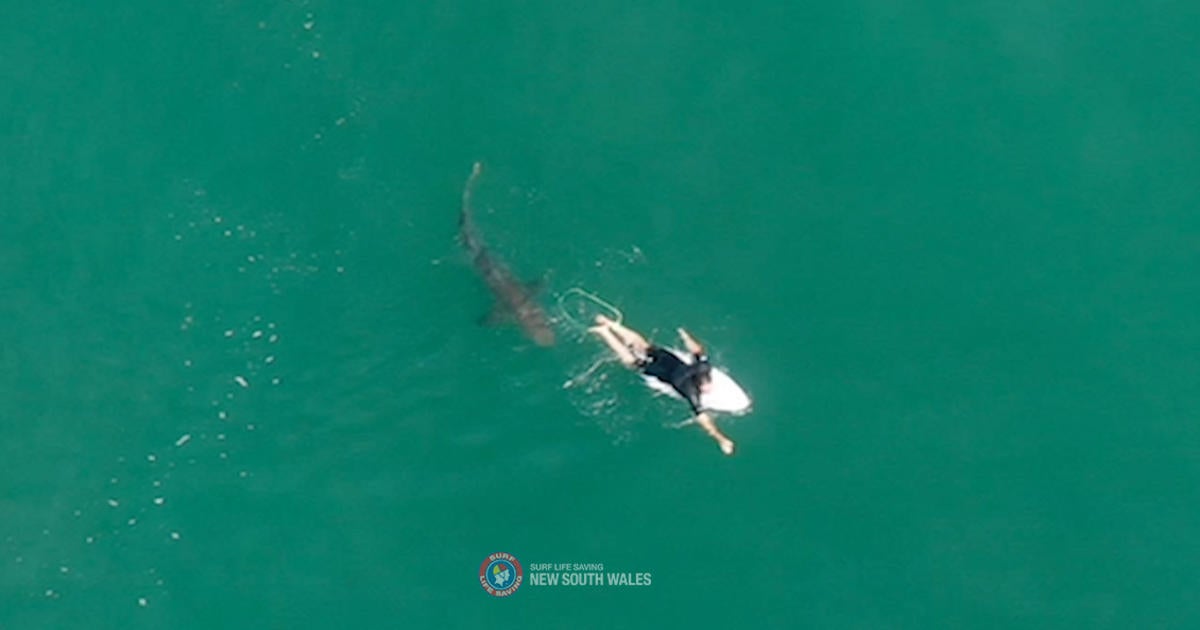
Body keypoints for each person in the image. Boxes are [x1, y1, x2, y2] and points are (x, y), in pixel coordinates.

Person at [588, 315, 736, 455]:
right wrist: (720, 438)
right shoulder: (691, 391)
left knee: (643, 346)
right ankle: (604, 332)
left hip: (667, 359)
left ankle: (610, 324)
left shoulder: (702, 368)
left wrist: (686, 336)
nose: (709, 389)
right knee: (631, 361)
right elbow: (703, 419)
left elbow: (697, 350)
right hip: (660, 371)